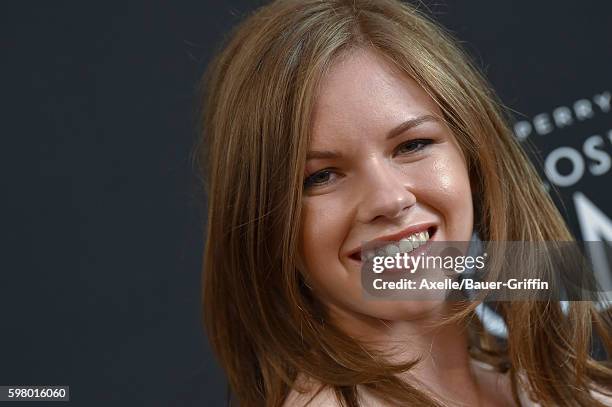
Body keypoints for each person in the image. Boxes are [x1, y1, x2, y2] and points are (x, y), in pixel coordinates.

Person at [196, 0, 612, 405]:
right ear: (262, 221)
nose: (389, 199)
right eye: (321, 176)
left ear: (474, 154)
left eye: (413, 145)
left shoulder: (554, 388)